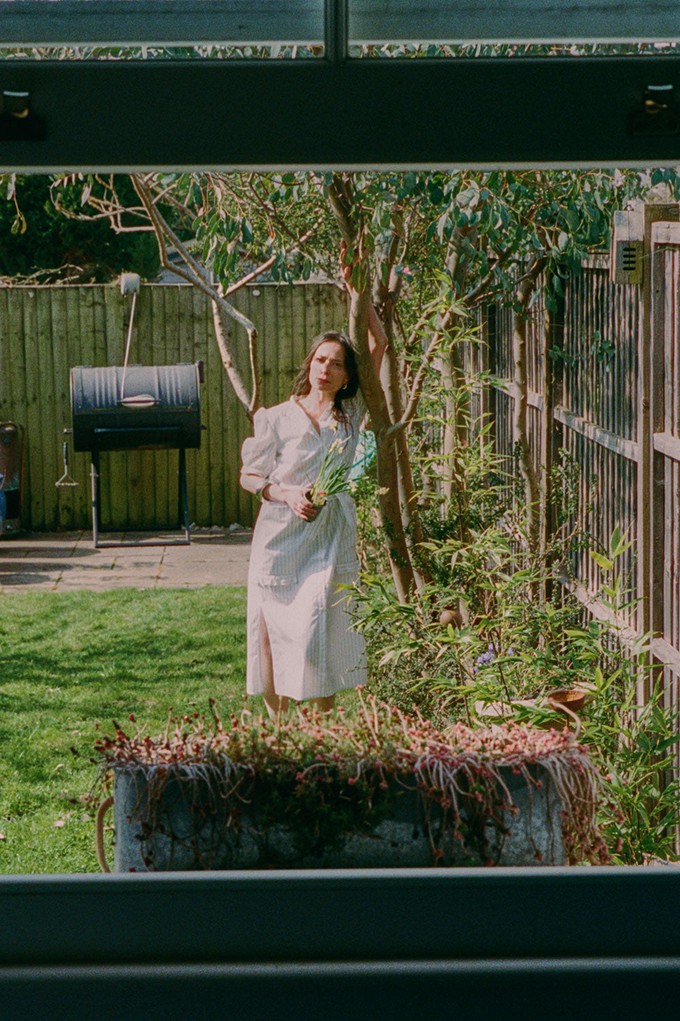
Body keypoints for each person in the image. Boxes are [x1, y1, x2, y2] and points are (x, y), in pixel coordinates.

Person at [240, 299, 387, 719]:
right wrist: (285, 494)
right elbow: (249, 476)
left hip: (329, 534)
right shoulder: (275, 418)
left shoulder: (351, 415)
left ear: (347, 377)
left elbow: (380, 343)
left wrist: (358, 291)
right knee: (271, 632)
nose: (326, 369)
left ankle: (323, 731)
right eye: (320, 360)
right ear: (310, 364)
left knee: (320, 627)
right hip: (280, 538)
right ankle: (279, 730)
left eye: (337, 364)